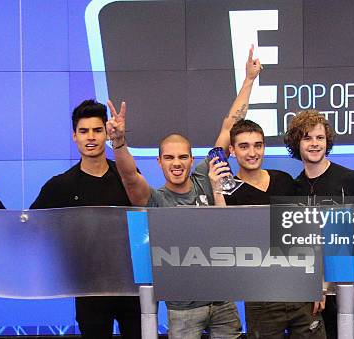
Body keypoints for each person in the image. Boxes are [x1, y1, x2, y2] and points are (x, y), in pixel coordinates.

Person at [105, 46, 262, 339]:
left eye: (182, 157)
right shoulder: (154, 199)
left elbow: (231, 123)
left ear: (192, 159)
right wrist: (119, 142)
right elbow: (128, 176)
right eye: (169, 158)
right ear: (160, 162)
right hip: (183, 309)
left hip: (223, 301)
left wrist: (249, 80)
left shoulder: (206, 175)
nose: (176, 163)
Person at [0, 99, 141, 339]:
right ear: (74, 136)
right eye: (84, 131)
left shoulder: (128, 177)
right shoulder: (60, 185)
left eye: (97, 130)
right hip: (88, 292)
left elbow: (149, 217)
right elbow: (24, 228)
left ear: (107, 133)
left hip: (133, 289)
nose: (90, 137)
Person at [224, 119, 327, 339]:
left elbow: (307, 233)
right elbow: (223, 236)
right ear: (232, 151)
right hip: (261, 296)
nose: (252, 152)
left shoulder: (284, 181)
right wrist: (217, 190)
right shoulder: (227, 192)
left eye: (258, 145)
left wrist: (317, 284)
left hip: (301, 290)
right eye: (244, 146)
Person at [284, 110, 354, 339]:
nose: (315, 144)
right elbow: (300, 244)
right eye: (307, 138)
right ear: (297, 143)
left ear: (328, 142)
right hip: (318, 296)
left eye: (320, 138)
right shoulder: (295, 187)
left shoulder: (350, 179)